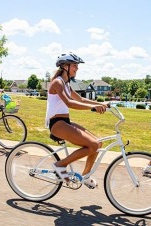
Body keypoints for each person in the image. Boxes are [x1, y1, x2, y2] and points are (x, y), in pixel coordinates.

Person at [46, 53, 108, 189]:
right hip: (57, 124)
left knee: (98, 143)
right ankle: (60, 165)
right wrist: (93, 107)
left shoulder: (66, 84)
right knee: (92, 145)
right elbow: (69, 103)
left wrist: (100, 104)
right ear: (65, 66)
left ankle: (85, 176)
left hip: (64, 122)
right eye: (75, 65)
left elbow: (81, 99)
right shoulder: (57, 82)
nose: (77, 68)